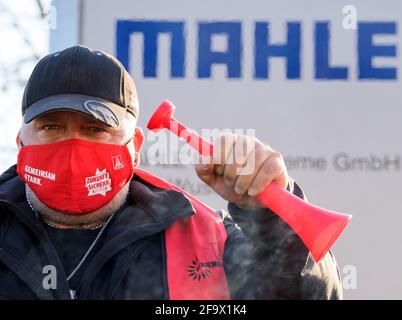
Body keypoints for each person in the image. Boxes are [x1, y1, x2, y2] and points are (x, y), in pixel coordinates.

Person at [0, 45, 342, 300]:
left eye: (95, 129)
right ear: (21, 140)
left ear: (135, 145)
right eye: (51, 127)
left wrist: (270, 218)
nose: (72, 146)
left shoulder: (207, 238)